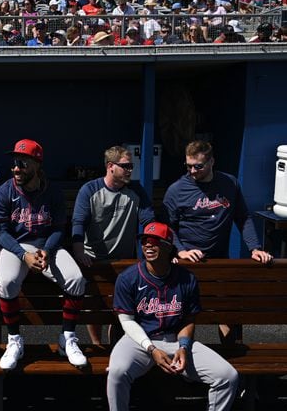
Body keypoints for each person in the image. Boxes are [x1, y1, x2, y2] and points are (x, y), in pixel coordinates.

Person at [107, 222, 239, 411]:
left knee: (227, 376)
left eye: (154, 241)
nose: (148, 245)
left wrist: (184, 348)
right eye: (144, 241)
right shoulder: (128, 278)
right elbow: (127, 322)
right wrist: (152, 349)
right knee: (117, 373)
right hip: (139, 340)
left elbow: (188, 320)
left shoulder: (186, 278)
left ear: (169, 246)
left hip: (175, 341)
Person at [163, 140, 273, 343]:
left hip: (219, 260)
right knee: (187, 316)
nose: (193, 171)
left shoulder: (229, 183)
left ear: (211, 161)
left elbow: (243, 217)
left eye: (198, 166)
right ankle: (186, 361)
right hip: (188, 262)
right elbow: (167, 227)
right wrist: (180, 251)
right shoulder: (176, 190)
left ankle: (232, 359)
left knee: (228, 312)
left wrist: (255, 248)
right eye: (188, 166)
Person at [0, 139, 87, 370]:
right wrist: (22, 254)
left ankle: (67, 338)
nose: (16, 168)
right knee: (6, 283)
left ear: (37, 164)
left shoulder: (53, 191)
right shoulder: (4, 192)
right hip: (15, 246)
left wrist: (46, 250)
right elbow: (1, 234)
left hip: (48, 245)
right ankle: (14, 340)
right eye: (14, 163)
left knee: (76, 280)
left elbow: (58, 228)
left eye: (23, 164)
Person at [71, 146, 155, 345]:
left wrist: (153, 245)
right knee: (95, 306)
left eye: (131, 166)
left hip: (124, 259)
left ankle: (115, 347)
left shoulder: (135, 190)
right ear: (110, 166)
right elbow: (78, 222)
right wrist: (78, 250)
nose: (130, 170)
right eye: (125, 166)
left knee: (122, 308)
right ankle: (96, 345)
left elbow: (148, 220)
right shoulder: (90, 189)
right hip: (94, 258)